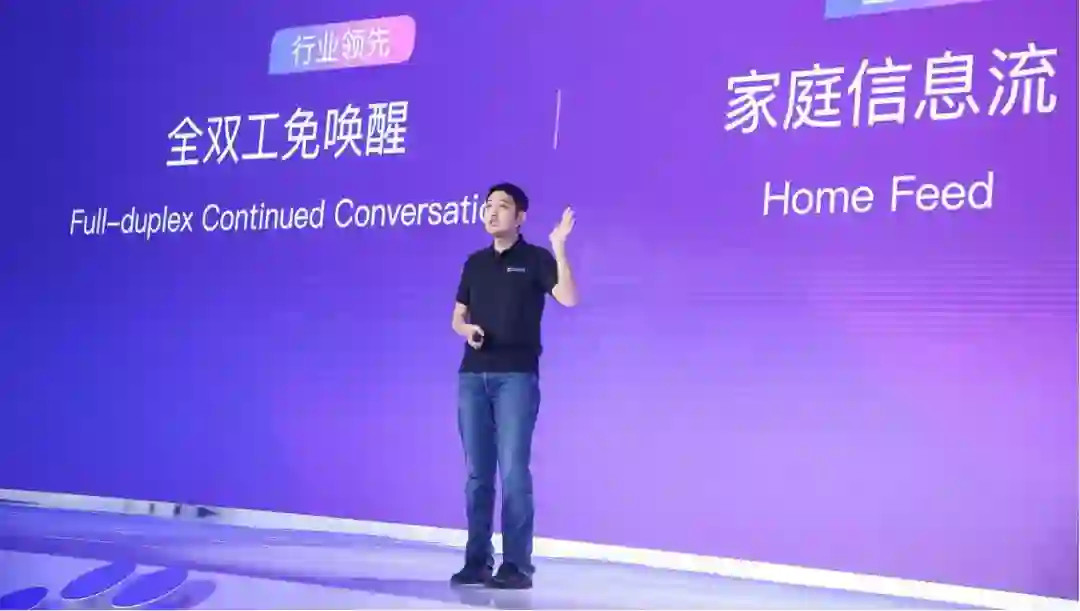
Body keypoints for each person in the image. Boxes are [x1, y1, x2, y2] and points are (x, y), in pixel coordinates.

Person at [449, 182, 578, 590]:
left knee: (514, 472)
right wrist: (466, 330)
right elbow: (457, 317)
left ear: (520, 217)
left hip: (516, 378)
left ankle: (517, 565)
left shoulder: (536, 259)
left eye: (502, 206)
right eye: (488, 205)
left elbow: (568, 297)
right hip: (473, 377)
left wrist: (559, 247)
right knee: (477, 475)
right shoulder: (474, 263)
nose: (492, 212)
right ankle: (477, 562)